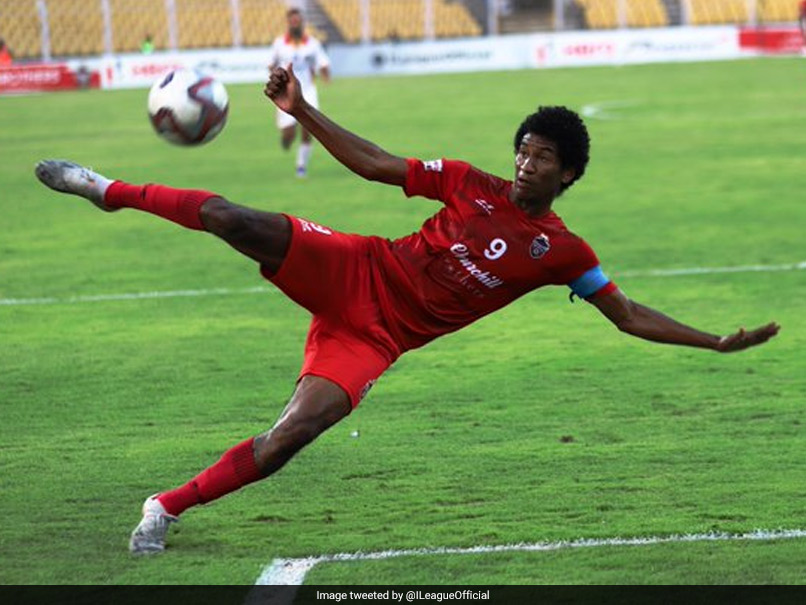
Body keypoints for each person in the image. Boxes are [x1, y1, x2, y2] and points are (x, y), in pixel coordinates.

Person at [34, 64, 780, 555]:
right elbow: (375, 162)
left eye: (543, 156)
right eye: (524, 148)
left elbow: (625, 314)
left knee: (292, 436)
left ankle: (163, 505)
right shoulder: (466, 183)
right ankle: (105, 189)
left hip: (377, 336)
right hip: (354, 267)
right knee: (234, 217)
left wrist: (712, 342)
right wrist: (303, 109)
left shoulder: (563, 252)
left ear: (570, 173)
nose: (527, 161)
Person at [268, 8, 330, 178]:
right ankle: (286, 141)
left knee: (308, 127)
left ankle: (301, 166)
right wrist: (275, 78)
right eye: (293, 21)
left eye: (298, 21)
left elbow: (323, 62)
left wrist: (325, 75)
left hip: (307, 90)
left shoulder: (312, 43)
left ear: (302, 22)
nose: (296, 23)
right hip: (285, 92)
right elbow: (271, 63)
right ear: (288, 23)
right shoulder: (279, 43)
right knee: (289, 132)